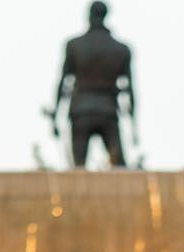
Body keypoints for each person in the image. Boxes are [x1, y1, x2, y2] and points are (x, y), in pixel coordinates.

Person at [49, 1, 135, 167]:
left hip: (81, 109)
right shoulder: (121, 49)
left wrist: (56, 116)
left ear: (88, 15)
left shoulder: (74, 45)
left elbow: (62, 81)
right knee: (119, 167)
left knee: (78, 167)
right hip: (108, 109)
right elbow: (131, 90)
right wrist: (134, 126)